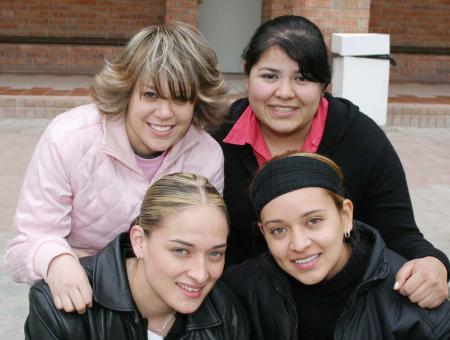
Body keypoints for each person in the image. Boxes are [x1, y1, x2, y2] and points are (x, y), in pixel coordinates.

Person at [212, 15, 449, 308]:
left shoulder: (361, 138)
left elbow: (398, 232)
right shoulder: (216, 140)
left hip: (344, 308)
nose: (284, 93)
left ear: (325, 83)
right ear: (248, 73)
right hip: (243, 308)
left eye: (302, 78)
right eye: (270, 76)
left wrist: (433, 263)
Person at [5, 22, 229, 314]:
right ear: (127, 91)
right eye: (151, 95)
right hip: (83, 294)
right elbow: (24, 246)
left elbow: (202, 248)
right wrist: (55, 259)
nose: (164, 113)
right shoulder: (69, 138)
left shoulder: (206, 155)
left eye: (180, 99)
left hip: (165, 299)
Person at [224, 153, 450, 340]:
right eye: (279, 230)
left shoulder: (411, 300)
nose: (300, 244)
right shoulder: (243, 289)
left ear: (346, 215)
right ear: (264, 233)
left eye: (313, 221)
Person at [25, 172, 249, 340]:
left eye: (215, 253)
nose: (200, 274)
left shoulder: (226, 312)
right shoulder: (59, 308)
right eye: (181, 251)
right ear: (139, 241)